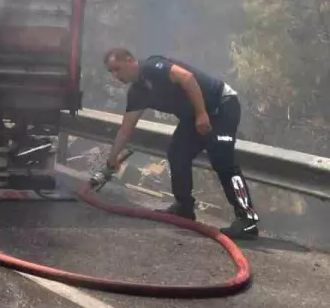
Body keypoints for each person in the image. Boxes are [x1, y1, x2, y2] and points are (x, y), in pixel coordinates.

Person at [99, 48, 260, 239]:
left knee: (223, 162)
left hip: (221, 106)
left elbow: (187, 78)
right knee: (177, 154)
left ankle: (248, 221)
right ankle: (184, 208)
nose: (116, 76)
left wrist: (201, 113)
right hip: (194, 117)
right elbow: (126, 129)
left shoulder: (153, 67)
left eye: (117, 69)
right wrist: (111, 160)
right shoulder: (137, 93)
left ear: (129, 60)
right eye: (111, 72)